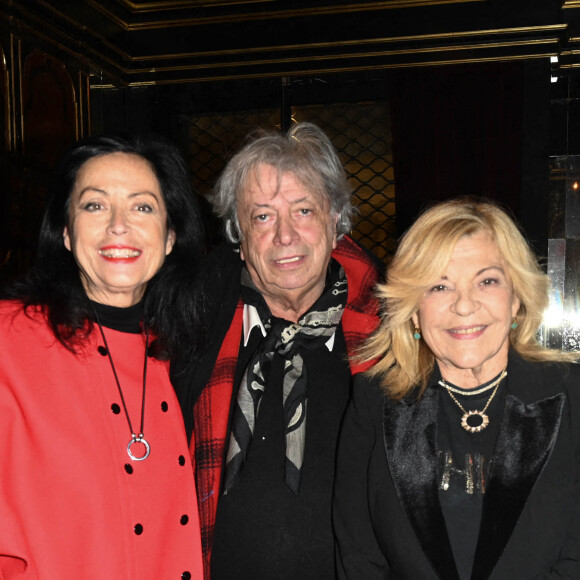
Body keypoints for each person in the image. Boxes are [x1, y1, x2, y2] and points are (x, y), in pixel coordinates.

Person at [174, 122, 381, 578]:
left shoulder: (387, 347)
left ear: (335, 225)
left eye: (304, 210)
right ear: (240, 239)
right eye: (262, 216)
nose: (285, 236)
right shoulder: (188, 337)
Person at [333, 197, 580, 579]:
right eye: (439, 286)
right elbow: (359, 556)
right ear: (413, 308)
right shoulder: (373, 401)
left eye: (487, 281)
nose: (464, 306)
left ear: (516, 298)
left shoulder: (572, 398)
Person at [0, 134, 206, 579]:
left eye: (142, 207)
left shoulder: (187, 354)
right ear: (66, 233)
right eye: (95, 206)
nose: (118, 225)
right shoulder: (7, 340)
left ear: (170, 237)